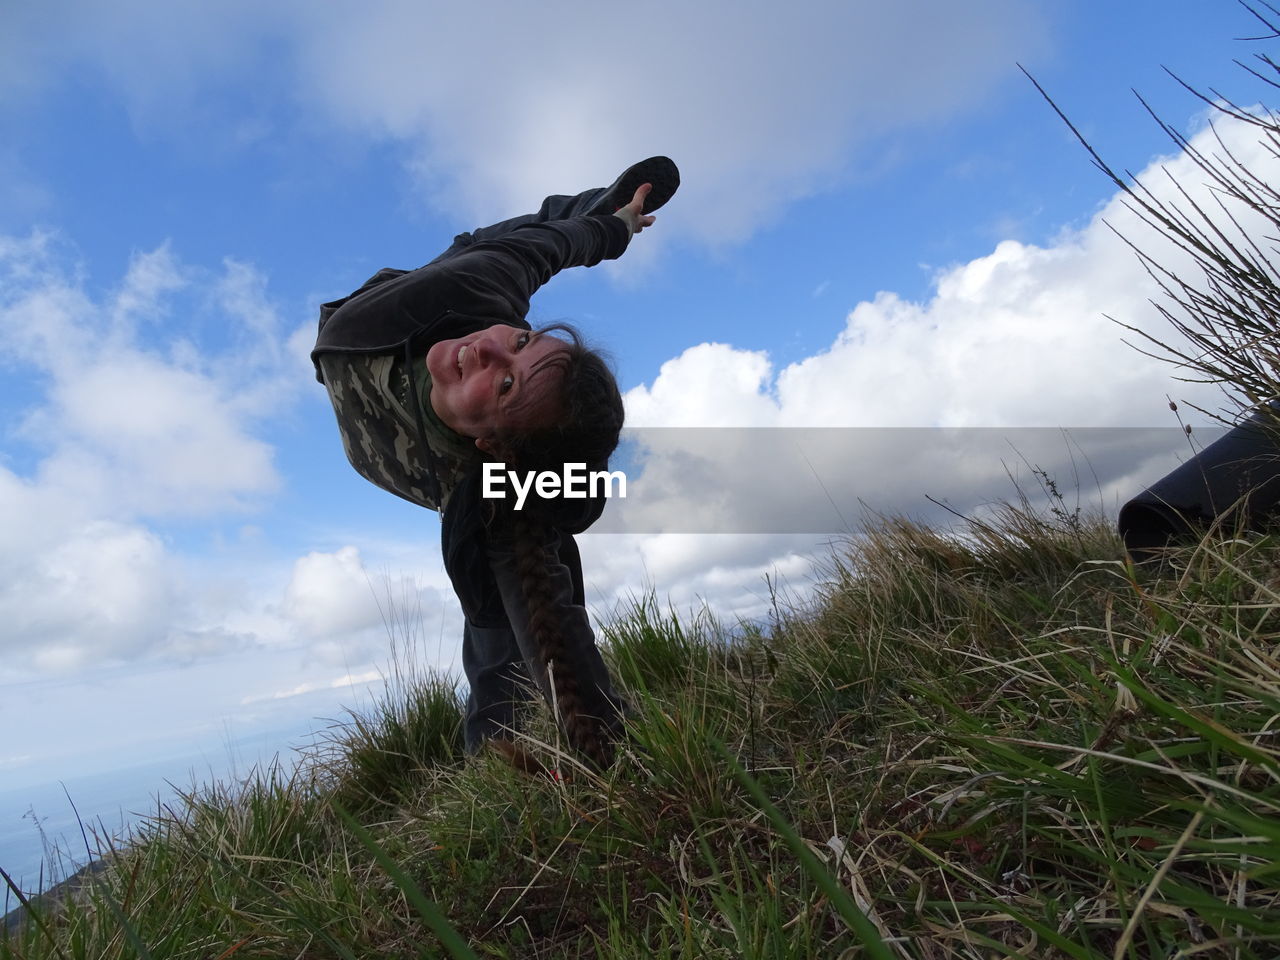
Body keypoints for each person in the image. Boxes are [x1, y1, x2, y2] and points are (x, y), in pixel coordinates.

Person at [311, 157, 680, 770]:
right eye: (522, 342)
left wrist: (606, 748)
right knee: (513, 239)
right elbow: (554, 245)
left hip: (460, 468)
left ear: (493, 448)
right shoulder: (474, 294)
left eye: (505, 384)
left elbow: (550, 617)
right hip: (388, 308)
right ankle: (603, 201)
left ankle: (492, 749)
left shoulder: (485, 488)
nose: (482, 348)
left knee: (518, 553)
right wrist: (614, 226)